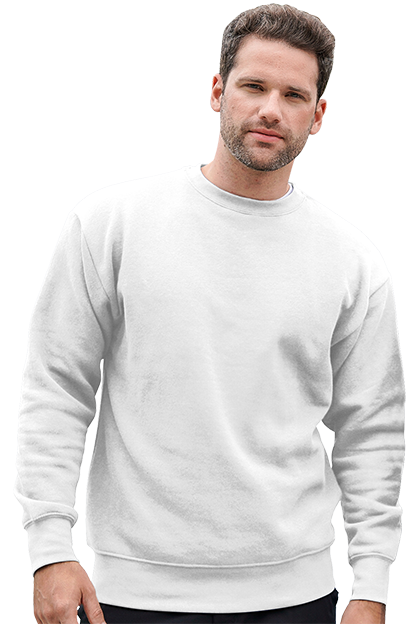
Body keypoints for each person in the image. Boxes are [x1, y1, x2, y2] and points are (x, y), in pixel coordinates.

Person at [16, 4, 405, 624]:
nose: (271, 109)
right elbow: (56, 388)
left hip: (295, 597)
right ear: (219, 91)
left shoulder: (351, 261)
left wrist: (373, 584)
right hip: (130, 594)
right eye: (254, 86)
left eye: (294, 95)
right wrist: (49, 549)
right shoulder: (112, 224)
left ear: (318, 115)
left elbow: (371, 432)